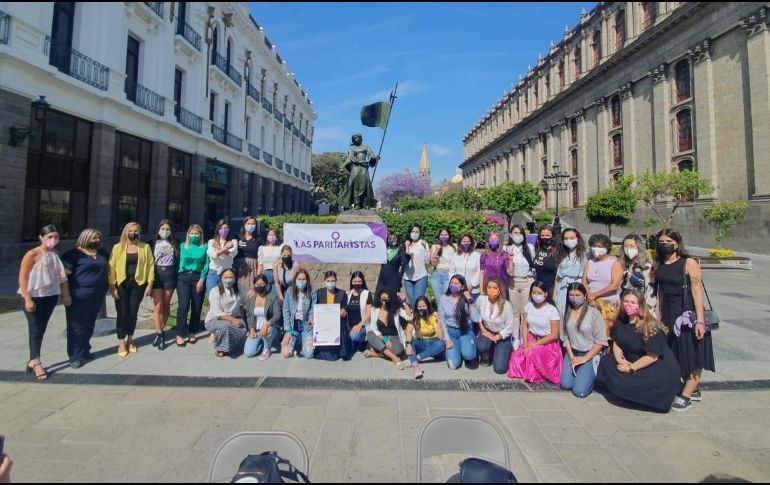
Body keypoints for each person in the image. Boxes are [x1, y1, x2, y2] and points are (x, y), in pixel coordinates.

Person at [654, 229, 715, 411]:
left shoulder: (688, 262)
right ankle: (692, 387)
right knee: (675, 351)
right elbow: (661, 292)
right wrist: (660, 316)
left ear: (677, 242)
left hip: (687, 312)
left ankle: (687, 394)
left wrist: (700, 321)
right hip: (669, 312)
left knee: (692, 351)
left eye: (668, 241)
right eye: (661, 241)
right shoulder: (662, 263)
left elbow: (697, 292)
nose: (665, 244)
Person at [596, 289, 681, 412]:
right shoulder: (621, 321)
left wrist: (631, 367)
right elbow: (617, 342)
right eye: (626, 301)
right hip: (631, 359)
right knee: (605, 362)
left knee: (629, 383)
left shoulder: (650, 326)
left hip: (655, 364)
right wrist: (620, 360)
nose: (629, 305)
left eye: (633, 302)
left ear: (640, 305)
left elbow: (653, 356)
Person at [18, 225, 71, 380]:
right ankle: (36, 362)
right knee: (35, 328)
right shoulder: (32, 254)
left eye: (56, 237)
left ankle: (32, 359)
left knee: (41, 329)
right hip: (34, 296)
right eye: (49, 237)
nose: (53, 240)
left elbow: (62, 277)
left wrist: (65, 295)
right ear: (42, 237)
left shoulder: (54, 254)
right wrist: (27, 298)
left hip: (51, 296)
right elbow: (23, 277)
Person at [61, 228, 109, 368]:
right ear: (85, 238)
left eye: (98, 238)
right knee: (76, 326)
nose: (96, 240)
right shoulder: (73, 255)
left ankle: (85, 349)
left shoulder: (102, 253)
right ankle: (75, 355)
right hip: (78, 295)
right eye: (93, 238)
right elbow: (63, 276)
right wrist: (66, 295)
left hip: (97, 294)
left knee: (89, 324)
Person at [109, 222, 154, 357]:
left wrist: (149, 284)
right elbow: (111, 267)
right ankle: (121, 340)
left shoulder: (144, 247)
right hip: (121, 283)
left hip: (138, 284)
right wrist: (112, 286)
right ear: (125, 232)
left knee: (133, 312)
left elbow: (150, 266)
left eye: (136, 231)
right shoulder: (118, 248)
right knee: (122, 312)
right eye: (130, 231)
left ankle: (130, 339)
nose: (133, 233)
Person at [507, 280, 562, 383]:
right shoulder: (528, 306)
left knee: (532, 352)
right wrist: (525, 342)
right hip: (531, 338)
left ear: (545, 294)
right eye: (534, 292)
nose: (536, 295)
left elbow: (554, 335)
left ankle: (537, 374)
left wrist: (535, 344)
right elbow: (524, 324)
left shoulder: (552, 310)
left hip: (547, 343)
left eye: (539, 293)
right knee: (516, 358)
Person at [559, 283, 608, 398]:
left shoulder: (593, 313)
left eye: (578, 295)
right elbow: (565, 337)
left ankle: (591, 375)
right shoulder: (565, 311)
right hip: (572, 352)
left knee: (579, 391)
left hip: (589, 353)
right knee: (565, 384)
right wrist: (571, 357)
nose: (574, 298)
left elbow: (600, 341)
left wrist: (584, 359)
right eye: (571, 295)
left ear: (585, 296)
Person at [582, 234, 624, 335]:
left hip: (609, 302)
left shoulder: (614, 262)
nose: (596, 249)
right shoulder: (590, 262)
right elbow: (584, 281)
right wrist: (589, 294)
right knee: (592, 330)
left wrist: (595, 295)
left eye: (600, 246)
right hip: (591, 302)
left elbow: (614, 285)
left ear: (607, 247)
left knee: (608, 332)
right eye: (594, 246)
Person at [504, 224, 536, 350]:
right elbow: (510, 272)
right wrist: (510, 260)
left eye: (520, 233)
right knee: (515, 311)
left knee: (525, 312)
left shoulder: (530, 247)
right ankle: (516, 337)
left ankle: (524, 336)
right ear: (511, 235)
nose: (518, 235)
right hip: (513, 282)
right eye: (515, 233)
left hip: (527, 282)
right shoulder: (507, 249)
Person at [176, 224, 209, 346]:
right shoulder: (182, 246)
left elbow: (206, 264)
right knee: (183, 306)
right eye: (192, 234)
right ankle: (180, 333)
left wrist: (202, 279)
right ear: (188, 234)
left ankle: (192, 332)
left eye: (196, 234)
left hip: (197, 277)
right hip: (183, 277)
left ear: (200, 235)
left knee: (196, 306)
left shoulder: (204, 247)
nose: (194, 236)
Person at [475, 277, 515, 375]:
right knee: (482, 346)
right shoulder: (481, 299)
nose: (491, 290)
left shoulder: (506, 305)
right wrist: (484, 330)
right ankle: (486, 354)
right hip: (487, 331)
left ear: (500, 290)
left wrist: (496, 337)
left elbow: (509, 327)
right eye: (489, 287)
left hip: (501, 335)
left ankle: (504, 350)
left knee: (500, 369)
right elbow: (478, 315)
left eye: (495, 287)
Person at [365, 288, 412, 370]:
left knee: (397, 351)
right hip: (381, 338)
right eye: (383, 299)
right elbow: (374, 328)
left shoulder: (396, 310)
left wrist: (404, 302)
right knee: (370, 333)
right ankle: (394, 358)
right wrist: (385, 339)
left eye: (387, 299)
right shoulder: (374, 310)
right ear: (379, 299)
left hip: (395, 338)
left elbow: (409, 317)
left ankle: (376, 354)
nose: (385, 301)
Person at [439, 274, 479, 370]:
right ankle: (458, 350)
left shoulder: (467, 299)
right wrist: (447, 339)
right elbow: (442, 320)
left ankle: (466, 349)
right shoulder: (444, 298)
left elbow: (476, 319)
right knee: (453, 365)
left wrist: (469, 298)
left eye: (456, 283)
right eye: (452, 283)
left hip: (465, 332)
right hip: (451, 333)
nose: (453, 285)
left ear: (462, 286)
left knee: (469, 356)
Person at [150, 219, 179, 351]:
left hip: (169, 276)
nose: (165, 231)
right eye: (163, 229)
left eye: (168, 229)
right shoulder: (152, 243)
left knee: (166, 305)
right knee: (158, 306)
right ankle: (160, 334)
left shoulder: (174, 243)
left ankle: (160, 330)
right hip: (157, 276)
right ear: (158, 230)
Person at [204, 268, 247, 358]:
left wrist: (251, 292)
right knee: (226, 327)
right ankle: (221, 348)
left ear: (235, 278)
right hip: (214, 319)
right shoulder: (215, 291)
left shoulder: (240, 288)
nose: (228, 279)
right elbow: (217, 313)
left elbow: (245, 302)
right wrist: (232, 320)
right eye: (226, 277)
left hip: (235, 317)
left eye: (231, 277)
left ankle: (224, 341)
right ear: (221, 278)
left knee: (243, 329)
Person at [313, 271, 352, 362]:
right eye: (328, 280)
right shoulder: (318, 293)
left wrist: (344, 312)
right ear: (324, 281)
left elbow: (345, 308)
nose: (330, 283)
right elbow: (315, 308)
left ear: (336, 281)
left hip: (337, 323)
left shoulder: (342, 293)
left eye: (333, 280)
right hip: (322, 323)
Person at [404, 296, 446, 379]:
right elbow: (408, 331)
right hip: (421, 343)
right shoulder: (415, 317)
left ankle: (416, 359)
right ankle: (416, 366)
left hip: (434, 343)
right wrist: (408, 344)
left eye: (424, 306)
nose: (421, 309)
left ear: (428, 306)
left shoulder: (433, 316)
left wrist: (438, 319)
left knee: (442, 343)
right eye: (419, 307)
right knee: (412, 341)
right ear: (416, 307)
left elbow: (441, 337)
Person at [243, 274, 283, 360]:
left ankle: (266, 349)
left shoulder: (272, 297)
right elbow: (249, 316)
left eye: (262, 284)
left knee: (268, 330)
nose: (259, 286)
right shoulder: (250, 299)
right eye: (257, 284)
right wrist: (251, 329)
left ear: (266, 284)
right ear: (254, 285)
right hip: (257, 330)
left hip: (271, 329)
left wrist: (267, 324)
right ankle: (262, 342)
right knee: (248, 353)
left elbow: (277, 314)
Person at [338, 133, 379, 209]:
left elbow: (371, 156)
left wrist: (375, 157)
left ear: (361, 138)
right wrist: (342, 166)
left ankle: (364, 203)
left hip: (363, 168)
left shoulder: (366, 147)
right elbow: (349, 159)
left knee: (364, 185)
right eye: (354, 138)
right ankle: (356, 204)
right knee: (354, 186)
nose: (356, 139)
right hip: (355, 168)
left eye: (357, 138)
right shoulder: (352, 149)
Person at [281, 269, 315, 359]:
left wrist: (312, 318)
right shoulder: (289, 291)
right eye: (299, 279)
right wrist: (288, 332)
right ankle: (294, 344)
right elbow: (286, 311)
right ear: (295, 280)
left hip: (306, 326)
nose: (301, 281)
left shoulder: (312, 293)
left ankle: (303, 345)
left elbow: (313, 310)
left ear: (307, 281)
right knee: (285, 354)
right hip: (293, 326)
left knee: (309, 354)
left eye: (304, 279)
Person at [621, 234, 657, 316]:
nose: (628, 249)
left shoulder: (646, 266)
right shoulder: (624, 265)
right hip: (627, 308)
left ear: (639, 248)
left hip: (643, 309)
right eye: (625, 246)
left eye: (632, 246)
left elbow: (649, 289)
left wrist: (647, 308)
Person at [554, 228, 587, 315]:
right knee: (561, 313)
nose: (569, 240)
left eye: (572, 238)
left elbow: (585, 276)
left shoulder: (584, 255)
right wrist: (555, 295)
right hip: (562, 289)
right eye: (566, 238)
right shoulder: (562, 254)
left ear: (577, 239)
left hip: (577, 288)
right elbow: (558, 278)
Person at [206, 220, 238, 295]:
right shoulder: (212, 242)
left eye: (226, 228)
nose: (224, 230)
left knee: (226, 297)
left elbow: (232, 254)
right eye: (221, 228)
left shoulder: (233, 241)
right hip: (213, 273)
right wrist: (226, 248)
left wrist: (219, 248)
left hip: (227, 273)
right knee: (212, 296)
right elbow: (212, 255)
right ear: (218, 230)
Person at [479, 232, 513, 298]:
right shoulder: (484, 255)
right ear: (488, 241)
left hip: (501, 288)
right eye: (491, 239)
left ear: (499, 240)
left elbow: (510, 273)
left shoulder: (504, 254)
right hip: (488, 287)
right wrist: (481, 290)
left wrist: (511, 260)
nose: (493, 240)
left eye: (495, 238)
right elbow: (481, 272)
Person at [403, 224, 430, 306]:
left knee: (419, 300)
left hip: (421, 276)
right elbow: (404, 259)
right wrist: (407, 246)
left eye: (417, 232)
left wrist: (425, 247)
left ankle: (420, 318)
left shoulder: (422, 243)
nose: (415, 233)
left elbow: (427, 261)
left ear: (420, 233)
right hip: (407, 277)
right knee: (411, 301)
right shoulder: (406, 244)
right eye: (413, 231)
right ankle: (415, 318)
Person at [346, 271, 373, 353]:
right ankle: (356, 344)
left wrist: (359, 325)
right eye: (354, 281)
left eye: (359, 281)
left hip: (363, 326)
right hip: (349, 326)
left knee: (353, 336)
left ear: (362, 282)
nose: (356, 283)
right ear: (351, 282)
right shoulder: (347, 294)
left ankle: (363, 341)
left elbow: (369, 313)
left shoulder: (367, 294)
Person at [450, 234, 482, 302]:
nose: (466, 243)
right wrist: (455, 284)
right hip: (458, 290)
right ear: (460, 243)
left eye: (468, 241)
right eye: (464, 241)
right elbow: (451, 271)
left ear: (471, 243)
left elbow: (479, 271)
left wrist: (471, 285)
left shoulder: (476, 255)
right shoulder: (455, 255)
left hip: (473, 290)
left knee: (472, 309)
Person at [235, 216, 261, 295]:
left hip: (253, 267)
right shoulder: (238, 237)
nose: (250, 225)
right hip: (240, 268)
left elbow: (260, 255)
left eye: (253, 224)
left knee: (251, 292)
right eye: (248, 223)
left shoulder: (258, 239)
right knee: (239, 291)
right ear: (244, 224)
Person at [531, 226, 558, 297]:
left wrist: (554, 293)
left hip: (550, 289)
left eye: (547, 235)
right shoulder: (538, 249)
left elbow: (557, 275)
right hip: (538, 287)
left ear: (553, 236)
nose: (544, 237)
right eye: (542, 235)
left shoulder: (556, 252)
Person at [430, 227, 456, 300]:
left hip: (448, 275)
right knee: (439, 300)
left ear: (449, 236)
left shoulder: (454, 247)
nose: (443, 236)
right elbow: (433, 264)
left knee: (447, 299)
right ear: (439, 236)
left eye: (445, 234)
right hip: (436, 275)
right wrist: (437, 250)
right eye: (441, 235)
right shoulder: (434, 247)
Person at [257, 228, 282, 295]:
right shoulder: (262, 248)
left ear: (277, 237)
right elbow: (260, 265)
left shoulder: (280, 247)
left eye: (274, 235)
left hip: (277, 273)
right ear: (267, 236)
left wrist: (276, 263)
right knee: (265, 294)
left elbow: (284, 258)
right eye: (270, 235)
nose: (272, 237)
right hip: (266, 274)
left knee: (275, 295)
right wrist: (258, 278)